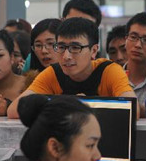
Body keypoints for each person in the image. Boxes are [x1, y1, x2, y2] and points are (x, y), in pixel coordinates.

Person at [7, 17, 136, 119]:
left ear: (94, 50)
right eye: (61, 47)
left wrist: (83, 104)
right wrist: (70, 104)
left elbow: (133, 109)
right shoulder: (53, 73)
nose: (66, 56)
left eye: (75, 48)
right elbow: (14, 110)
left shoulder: (109, 71)